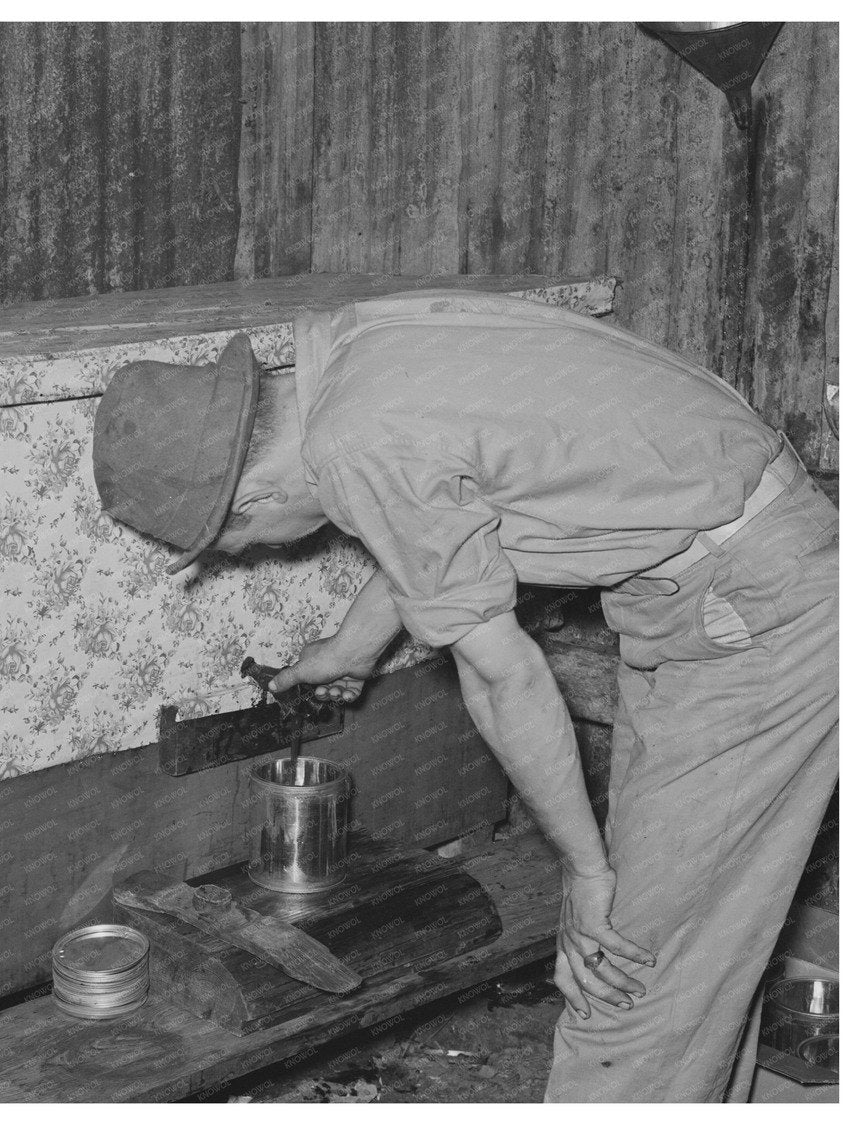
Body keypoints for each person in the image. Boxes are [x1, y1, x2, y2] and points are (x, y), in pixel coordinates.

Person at [90, 290, 838, 1102]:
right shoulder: (347, 354)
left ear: (253, 501)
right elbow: (442, 512)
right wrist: (351, 646)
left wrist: (584, 874)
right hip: (729, 568)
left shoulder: (356, 448)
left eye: (234, 543)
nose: (249, 552)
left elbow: (503, 673)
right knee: (698, 933)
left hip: (755, 605)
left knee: (626, 964)